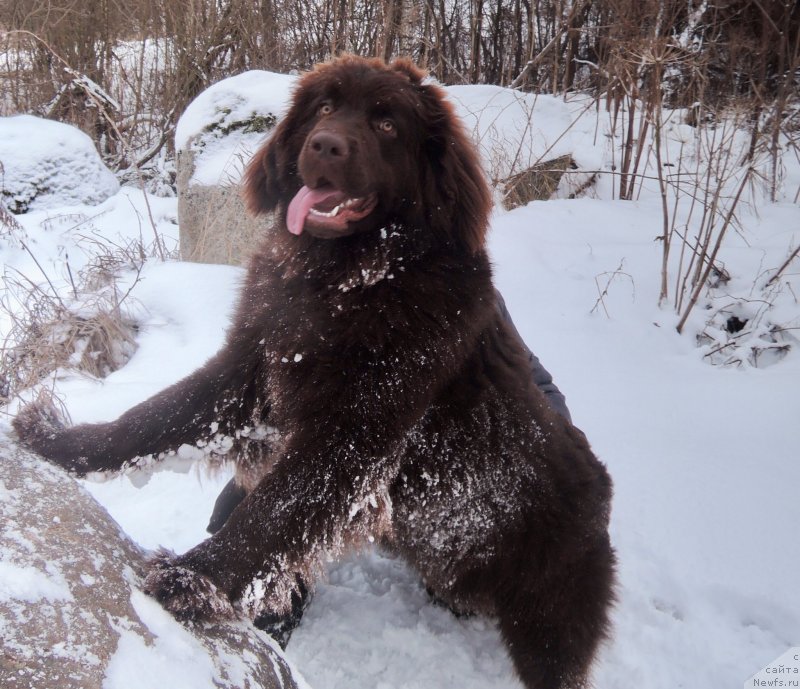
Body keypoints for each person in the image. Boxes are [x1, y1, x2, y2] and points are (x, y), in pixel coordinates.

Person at [205, 291, 573, 646]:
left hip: (433, 480)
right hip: (343, 459)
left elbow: (538, 386)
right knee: (243, 545)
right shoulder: (316, 297)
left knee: (477, 588)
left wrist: (554, 462)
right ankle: (265, 615)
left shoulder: (468, 297)